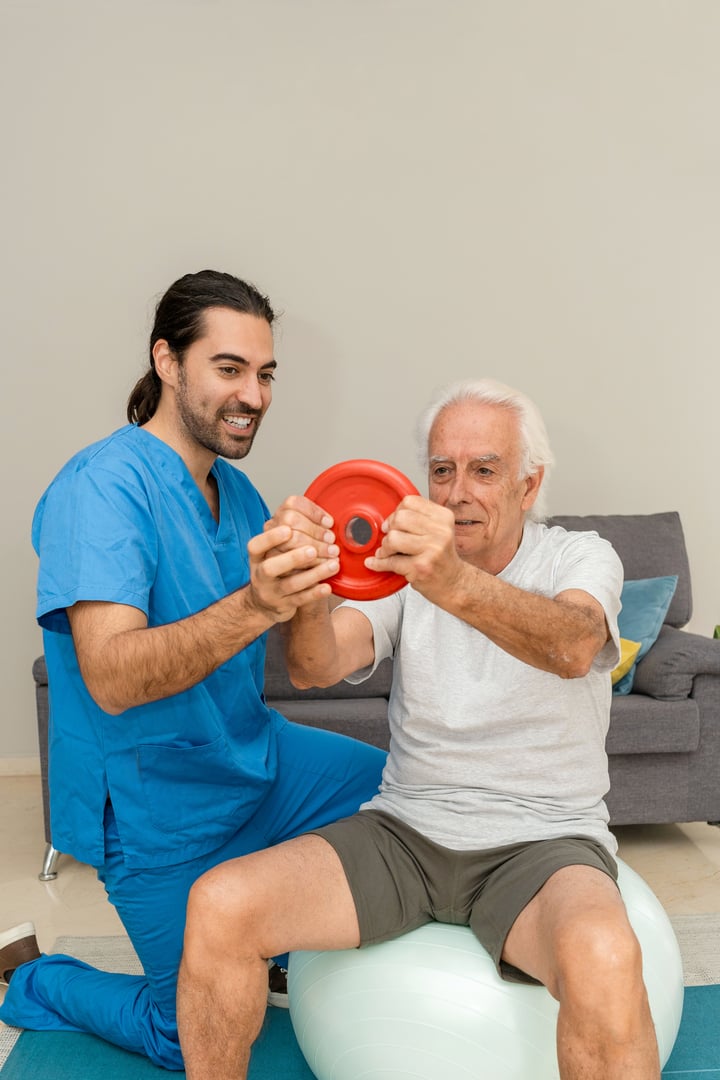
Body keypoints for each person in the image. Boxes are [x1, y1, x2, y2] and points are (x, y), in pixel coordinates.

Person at [175, 378, 661, 1080]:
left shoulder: (578, 557)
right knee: (219, 904)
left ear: (529, 485)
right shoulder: (402, 572)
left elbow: (573, 646)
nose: (458, 491)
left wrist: (450, 583)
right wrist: (310, 594)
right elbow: (315, 666)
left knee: (607, 956)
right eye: (442, 470)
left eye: (484, 470)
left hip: (542, 841)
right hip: (406, 833)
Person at [0, 270, 386, 1069]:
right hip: (155, 811)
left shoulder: (238, 495)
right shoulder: (101, 488)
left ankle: (271, 944)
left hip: (257, 761)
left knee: (413, 797)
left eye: (266, 373)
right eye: (229, 367)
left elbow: (304, 657)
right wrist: (258, 599)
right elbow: (110, 676)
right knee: (197, 1033)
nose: (254, 393)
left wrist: (312, 583)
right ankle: (33, 977)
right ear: (167, 362)